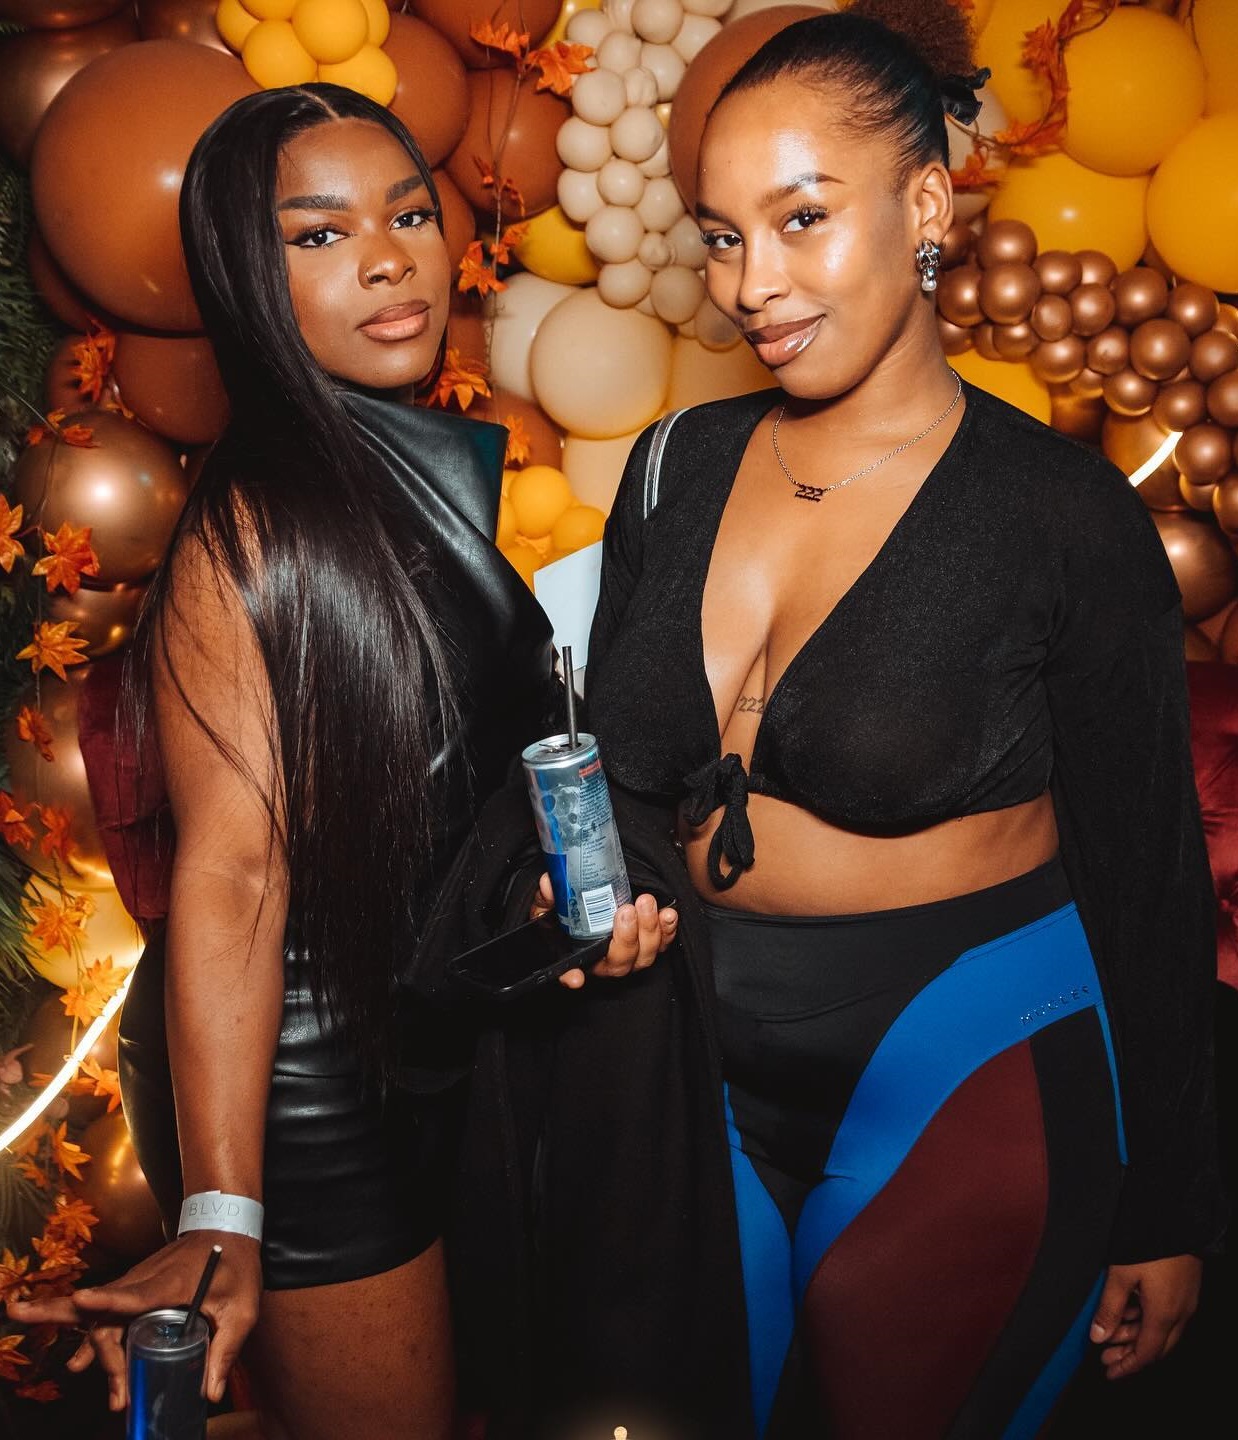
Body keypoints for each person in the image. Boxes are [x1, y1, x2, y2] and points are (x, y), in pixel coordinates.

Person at [579, 3, 1226, 1436]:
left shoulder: (1061, 515)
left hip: (962, 1074)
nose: (753, 283)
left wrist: (1171, 1198)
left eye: (802, 219)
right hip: (687, 1063)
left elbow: (1147, 868)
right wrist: (589, 903)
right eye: (723, 236)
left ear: (926, 204)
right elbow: (616, 775)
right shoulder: (672, 466)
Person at [7, 83, 670, 1440]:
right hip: (299, 1088)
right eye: (316, 235)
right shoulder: (262, 524)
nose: (384, 258)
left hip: (424, 1038)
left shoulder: (378, 471)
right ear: (243, 278)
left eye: (408, 215)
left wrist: (546, 917)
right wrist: (225, 1207)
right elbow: (237, 876)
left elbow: (422, 806)